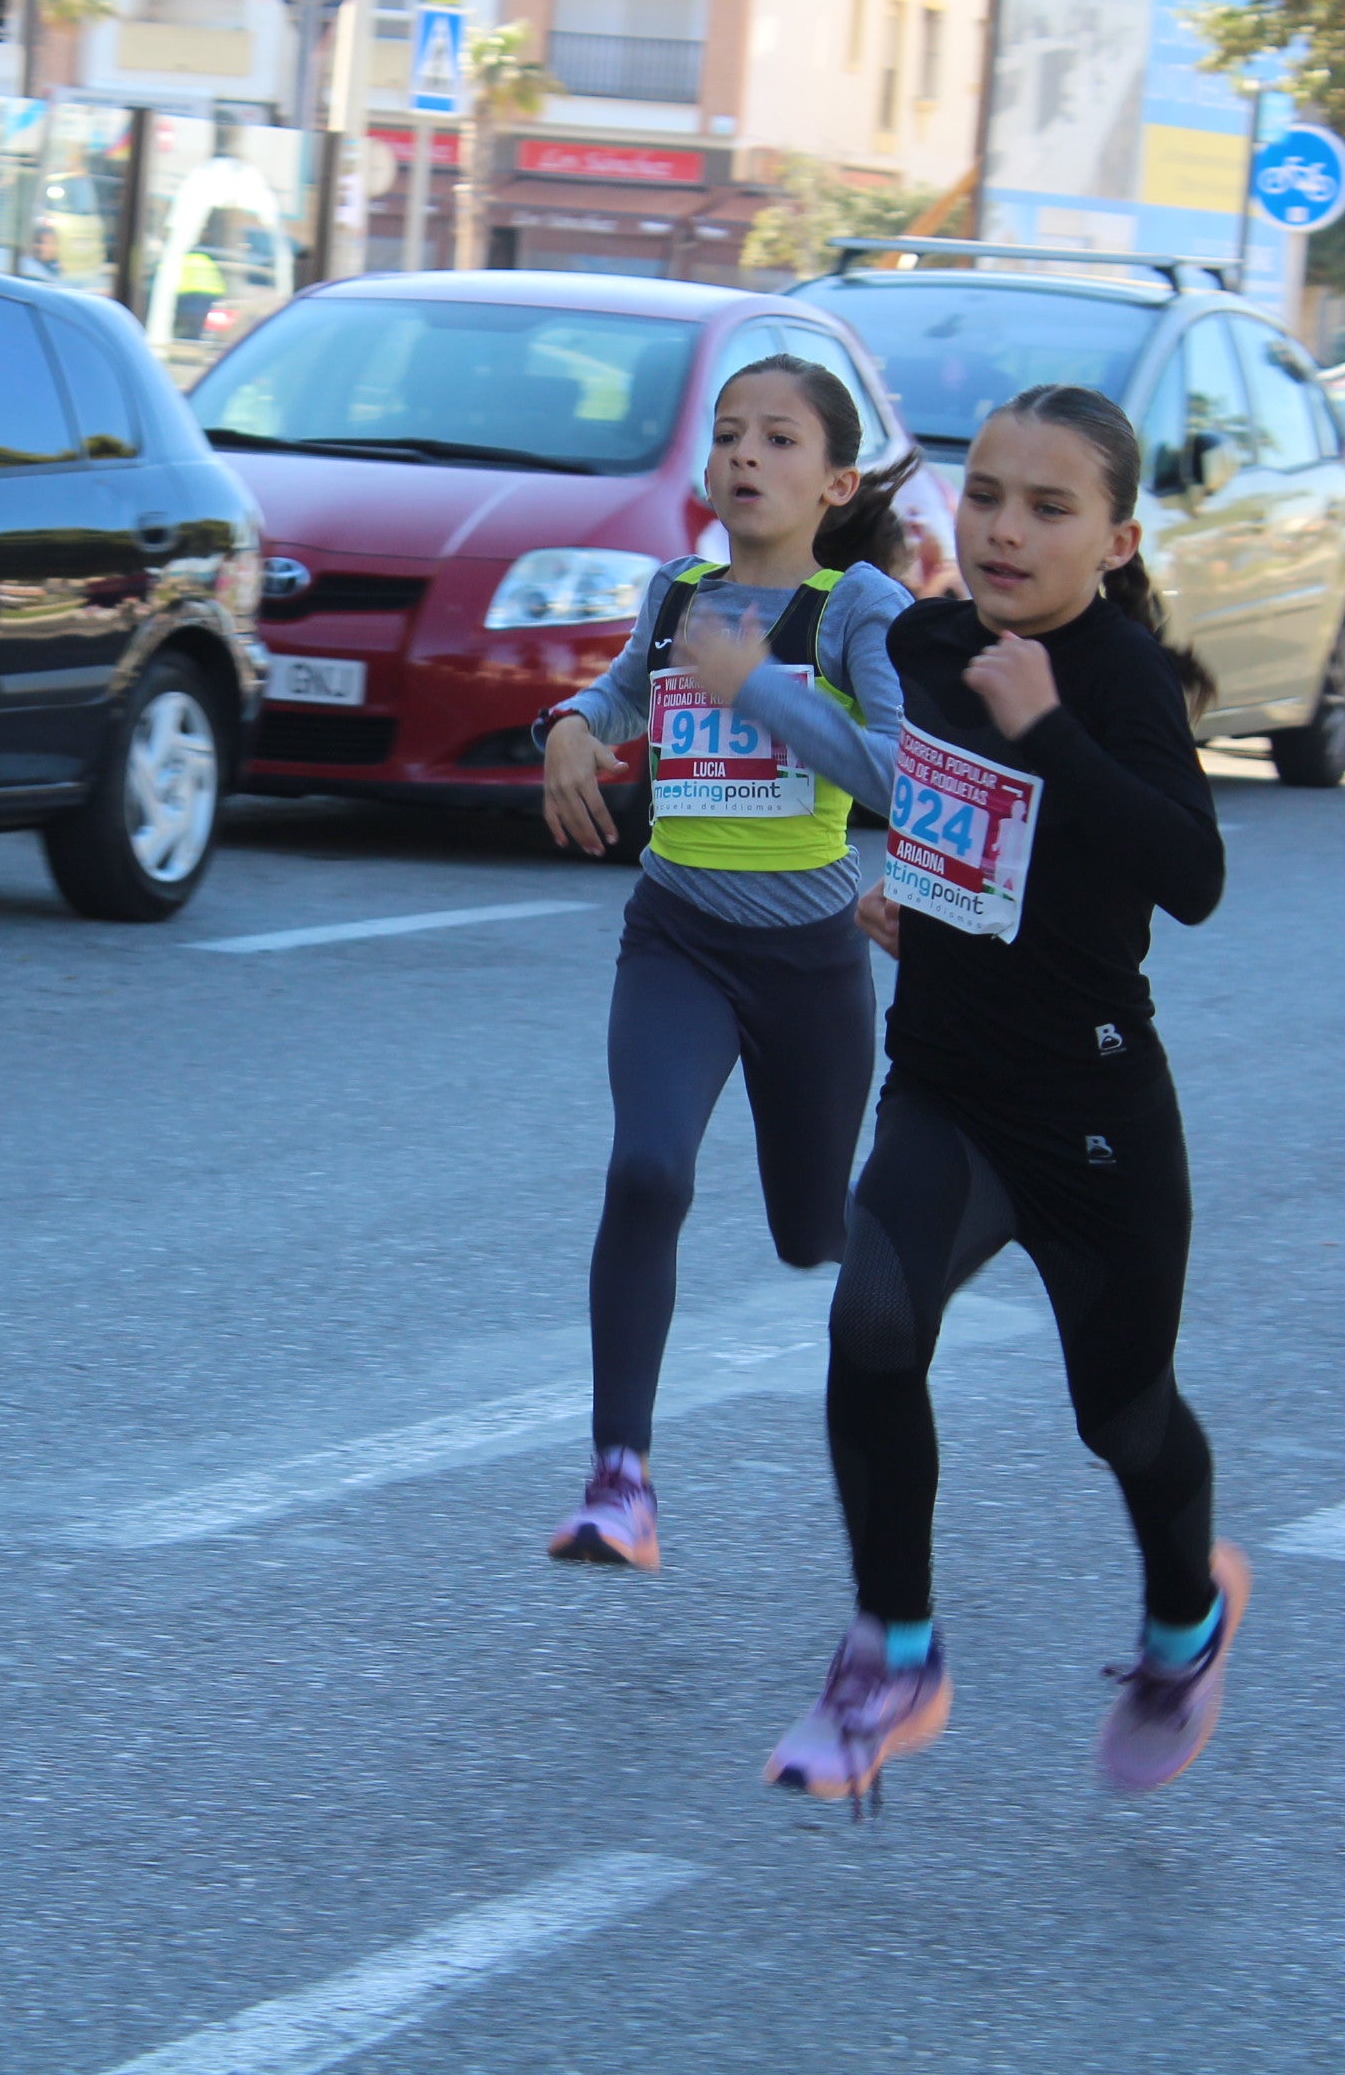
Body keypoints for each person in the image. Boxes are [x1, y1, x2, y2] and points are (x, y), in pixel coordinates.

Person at [765, 383, 1245, 1808]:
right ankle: (894, 1651)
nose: (1006, 530)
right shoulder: (921, 640)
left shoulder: (1117, 678)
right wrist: (911, 888)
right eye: (985, 497)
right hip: (952, 1087)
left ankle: (1184, 1623)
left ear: (1116, 537)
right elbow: (948, 810)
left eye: (1048, 507)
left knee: (1125, 1419)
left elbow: (1192, 876)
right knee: (872, 1321)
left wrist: (1053, 734)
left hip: (1094, 1120)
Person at [531, 358, 919, 1571]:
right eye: (730, 436)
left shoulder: (857, 610)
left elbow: (901, 780)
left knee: (814, 1235)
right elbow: (623, 693)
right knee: (648, 1172)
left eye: (781, 440)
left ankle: (926, 1267)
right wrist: (571, 729)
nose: (747, 456)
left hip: (811, 961)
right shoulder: (680, 590)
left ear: (836, 481)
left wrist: (762, 693)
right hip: (679, 939)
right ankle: (619, 1481)